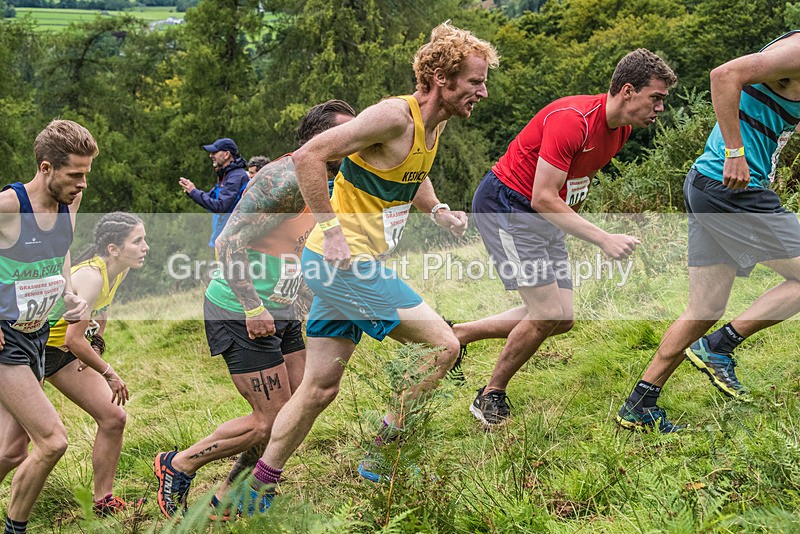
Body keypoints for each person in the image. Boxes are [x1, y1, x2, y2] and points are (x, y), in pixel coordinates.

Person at [241, 21, 499, 510]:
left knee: (318, 388)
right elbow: (308, 156)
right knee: (444, 346)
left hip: (339, 265)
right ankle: (382, 457)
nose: (482, 92)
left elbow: (411, 172)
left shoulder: (434, 123)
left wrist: (437, 209)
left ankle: (257, 487)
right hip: (341, 263)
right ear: (443, 78)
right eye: (475, 82)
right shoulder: (392, 116)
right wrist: (333, 231)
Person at [153, 100, 357, 519]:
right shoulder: (282, 178)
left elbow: (296, 245)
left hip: (280, 310)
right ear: (321, 138)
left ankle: (229, 496)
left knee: (301, 402)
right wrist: (253, 306)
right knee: (270, 419)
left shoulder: (332, 179)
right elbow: (228, 242)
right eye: (345, 133)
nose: (355, 140)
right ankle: (178, 464)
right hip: (240, 308)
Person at [451, 49, 676, 426]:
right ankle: (490, 394)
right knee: (546, 312)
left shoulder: (620, 131)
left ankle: (458, 333)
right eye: (656, 98)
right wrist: (602, 238)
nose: (660, 108)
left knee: (563, 317)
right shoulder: (572, 121)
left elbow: (568, 187)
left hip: (542, 215)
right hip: (508, 206)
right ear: (627, 91)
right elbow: (542, 195)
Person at [617, 31, 800, 433]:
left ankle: (639, 404)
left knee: (705, 308)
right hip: (731, 186)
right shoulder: (798, 51)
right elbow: (722, 75)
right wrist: (736, 152)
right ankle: (720, 347)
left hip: (707, 184)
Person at [0, 119, 95, 534]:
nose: (83, 184)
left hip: (38, 334)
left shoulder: (68, 202)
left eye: (87, 174)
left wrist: (68, 292)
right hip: (6, 340)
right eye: (75, 174)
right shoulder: (9, 205)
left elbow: (62, 251)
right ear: (46, 168)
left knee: (10, 449)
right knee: (53, 440)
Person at [39, 213, 148, 515]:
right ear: (113, 248)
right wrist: (108, 372)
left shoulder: (118, 271)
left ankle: (103, 502)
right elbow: (75, 338)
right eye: (137, 241)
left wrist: (98, 343)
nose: (145, 247)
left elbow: (101, 310)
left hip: (61, 353)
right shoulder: (91, 275)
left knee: (113, 418)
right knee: (14, 445)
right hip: (33, 348)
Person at [178, 138, 250, 250]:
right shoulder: (226, 175)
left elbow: (220, 207)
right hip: (221, 239)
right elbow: (211, 199)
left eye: (215, 152)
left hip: (232, 242)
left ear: (226, 154)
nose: (211, 155)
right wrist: (192, 190)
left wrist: (194, 192)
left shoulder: (236, 177)